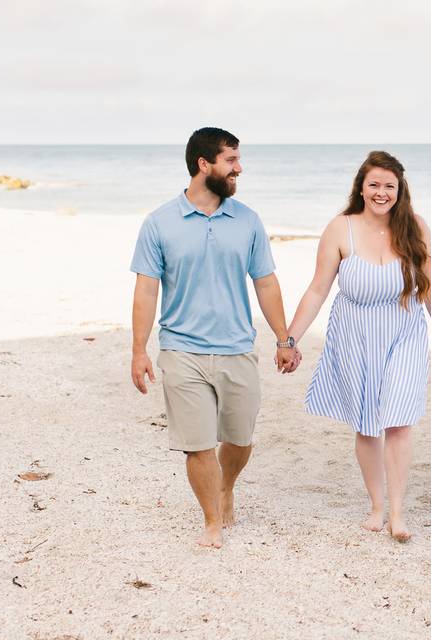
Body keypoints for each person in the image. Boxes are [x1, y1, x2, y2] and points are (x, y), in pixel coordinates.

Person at [129, 127, 299, 549]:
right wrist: (138, 350)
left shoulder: (248, 220)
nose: (239, 169)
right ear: (204, 165)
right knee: (198, 443)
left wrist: (284, 338)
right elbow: (146, 289)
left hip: (237, 347)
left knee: (239, 439)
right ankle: (211, 521)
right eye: (231, 160)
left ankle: (226, 488)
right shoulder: (160, 223)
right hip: (181, 349)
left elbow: (266, 283)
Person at [284, 150, 431, 542]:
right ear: (361, 187)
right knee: (366, 422)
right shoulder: (340, 229)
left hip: (405, 332)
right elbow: (316, 291)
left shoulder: (415, 227)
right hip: (355, 334)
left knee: (398, 419)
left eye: (389, 186)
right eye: (374, 184)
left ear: (400, 190)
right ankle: (375, 505)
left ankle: (396, 513)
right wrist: (289, 339)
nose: (381, 193)